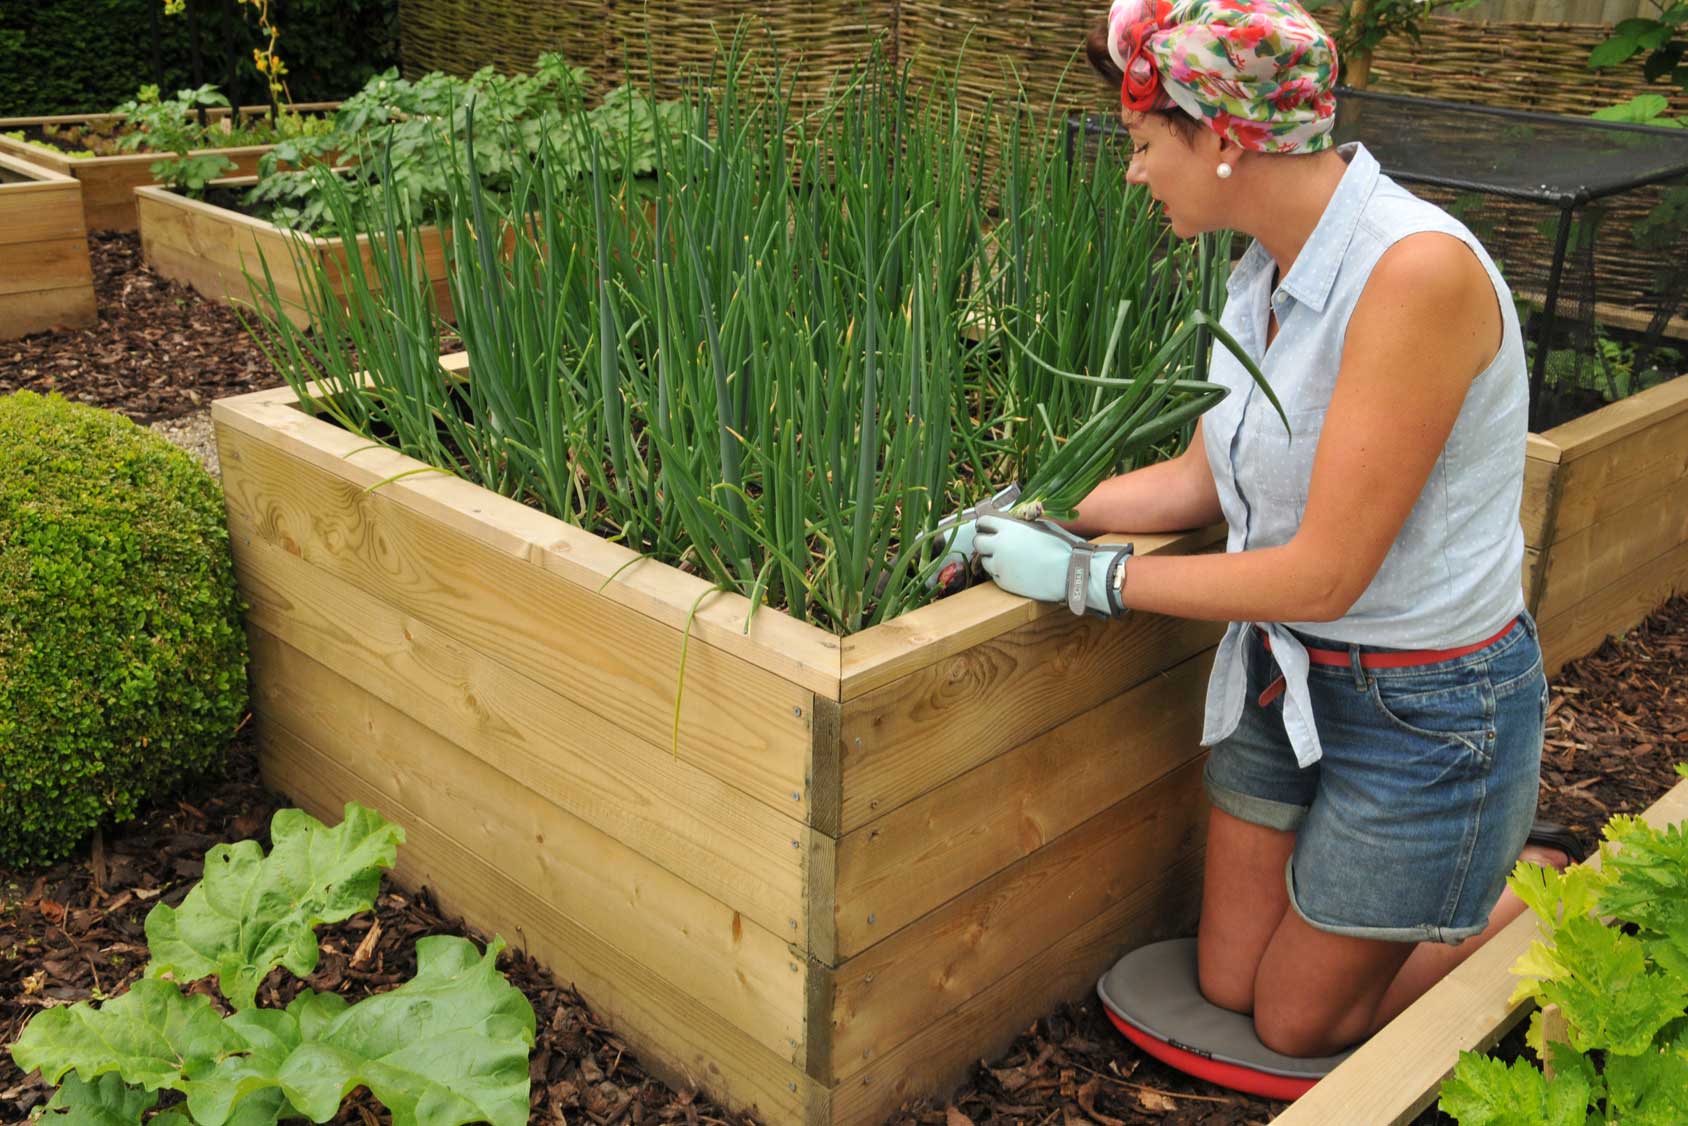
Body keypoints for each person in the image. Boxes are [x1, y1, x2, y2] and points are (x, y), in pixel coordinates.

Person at [961, 0, 1575, 1059]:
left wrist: (1090, 579)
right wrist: (1039, 509)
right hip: (1283, 676)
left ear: (1225, 139)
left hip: (1424, 710)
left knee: (1295, 1024)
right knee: (1228, 980)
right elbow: (1204, 478)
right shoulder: (1267, 267)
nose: (1132, 173)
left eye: (1143, 143)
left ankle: (1542, 884)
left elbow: (1324, 575)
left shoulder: (1413, 274)